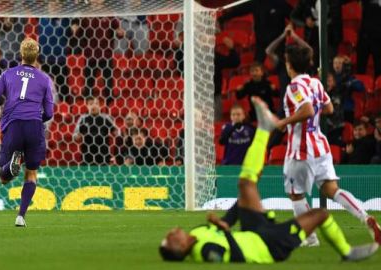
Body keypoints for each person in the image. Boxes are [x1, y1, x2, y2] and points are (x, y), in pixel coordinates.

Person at [159, 97, 379, 263]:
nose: (173, 231)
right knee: (321, 214)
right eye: (171, 237)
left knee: (246, 185)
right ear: (180, 248)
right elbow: (223, 257)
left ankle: (264, 128)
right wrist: (223, 230)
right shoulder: (204, 252)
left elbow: (225, 227)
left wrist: (223, 222)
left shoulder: (196, 233)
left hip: (252, 230)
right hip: (268, 244)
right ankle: (347, 252)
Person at [276, 46, 381, 246]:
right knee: (332, 189)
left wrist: (284, 122)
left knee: (295, 193)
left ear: (290, 65)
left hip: (301, 149)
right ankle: (365, 217)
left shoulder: (294, 87)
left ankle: (310, 237)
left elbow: (306, 110)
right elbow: (329, 108)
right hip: (320, 145)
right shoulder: (315, 83)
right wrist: (313, 112)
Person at [0, 38, 54, 227]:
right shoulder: (44, 79)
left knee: (2, 177)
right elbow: (49, 113)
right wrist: (34, 120)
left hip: (13, 125)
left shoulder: (8, 74)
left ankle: (12, 165)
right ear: (36, 56)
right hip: (34, 126)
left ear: (21, 55)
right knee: (31, 173)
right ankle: (21, 216)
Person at [73, 96, 118, 165]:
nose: (94, 106)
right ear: (87, 106)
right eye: (91, 104)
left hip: (104, 154)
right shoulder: (83, 118)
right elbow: (75, 136)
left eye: (96, 104)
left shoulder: (106, 117)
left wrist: (119, 133)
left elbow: (117, 132)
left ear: (100, 106)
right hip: (87, 155)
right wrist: (78, 136)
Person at [332, 55, 366, 123]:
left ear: (344, 65)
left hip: (346, 108)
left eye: (339, 63)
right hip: (333, 108)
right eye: (335, 63)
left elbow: (360, 87)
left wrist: (350, 83)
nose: (337, 65)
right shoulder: (330, 77)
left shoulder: (349, 77)